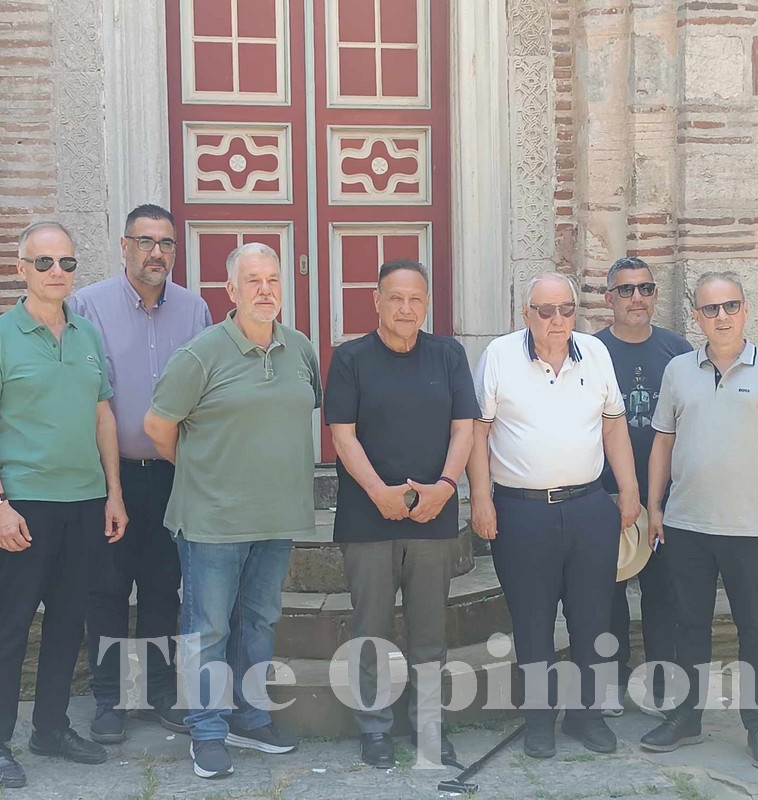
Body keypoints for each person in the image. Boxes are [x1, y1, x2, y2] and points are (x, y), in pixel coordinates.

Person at [144, 243, 319, 780]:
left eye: (273, 280)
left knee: (258, 621)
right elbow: (157, 427)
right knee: (208, 628)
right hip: (212, 520)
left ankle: (250, 716)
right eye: (253, 281)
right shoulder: (200, 355)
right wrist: (203, 472)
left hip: (277, 517)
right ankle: (207, 730)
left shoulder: (300, 348)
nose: (265, 290)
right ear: (231, 291)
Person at [0, 221, 127, 788]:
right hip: (24, 504)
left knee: (67, 621)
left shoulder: (87, 335)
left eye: (67, 262)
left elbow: (103, 417)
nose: (57, 272)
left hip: (84, 502)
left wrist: (114, 493)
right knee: (11, 622)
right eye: (44, 262)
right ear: (21, 269)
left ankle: (51, 728)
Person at [468, 272, 641, 759]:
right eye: (546, 311)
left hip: (589, 508)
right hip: (521, 512)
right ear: (526, 315)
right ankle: (539, 722)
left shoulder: (596, 352)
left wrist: (629, 489)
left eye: (566, 309)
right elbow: (478, 433)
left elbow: (614, 427)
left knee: (594, 618)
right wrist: (479, 498)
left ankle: (587, 717)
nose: (558, 319)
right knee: (533, 621)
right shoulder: (499, 355)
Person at [640, 271, 758, 771]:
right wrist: (654, 507)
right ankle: (685, 718)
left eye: (730, 305)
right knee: (688, 625)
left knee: (754, 629)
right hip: (686, 524)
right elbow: (662, 442)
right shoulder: (678, 370)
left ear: (745, 309)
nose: (722, 316)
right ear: (697, 316)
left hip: (751, 529)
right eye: (710, 308)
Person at [325, 259, 479, 769]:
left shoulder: (448, 355)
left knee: (430, 632)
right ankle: (374, 728)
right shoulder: (350, 358)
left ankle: (428, 724)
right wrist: (378, 492)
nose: (406, 308)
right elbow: (343, 435)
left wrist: (446, 488)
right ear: (376, 301)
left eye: (415, 299)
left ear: (427, 303)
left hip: (434, 514)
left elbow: (464, 428)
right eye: (395, 298)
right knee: (371, 628)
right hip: (368, 517)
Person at [70, 204, 211, 742]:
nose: (157, 252)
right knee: (106, 587)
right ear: (124, 246)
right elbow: (83, 396)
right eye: (146, 241)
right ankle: (110, 698)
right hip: (112, 476)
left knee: (163, 585)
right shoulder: (88, 306)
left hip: (174, 474)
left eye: (166, 243)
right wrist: (107, 487)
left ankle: (158, 692)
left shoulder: (195, 310)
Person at [594, 256, 692, 717]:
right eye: (626, 289)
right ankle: (612, 680)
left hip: (665, 498)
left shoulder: (678, 351)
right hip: (602, 495)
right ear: (609, 297)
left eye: (646, 289)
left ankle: (660, 682)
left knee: (663, 593)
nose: (637, 298)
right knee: (605, 595)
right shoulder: (590, 351)